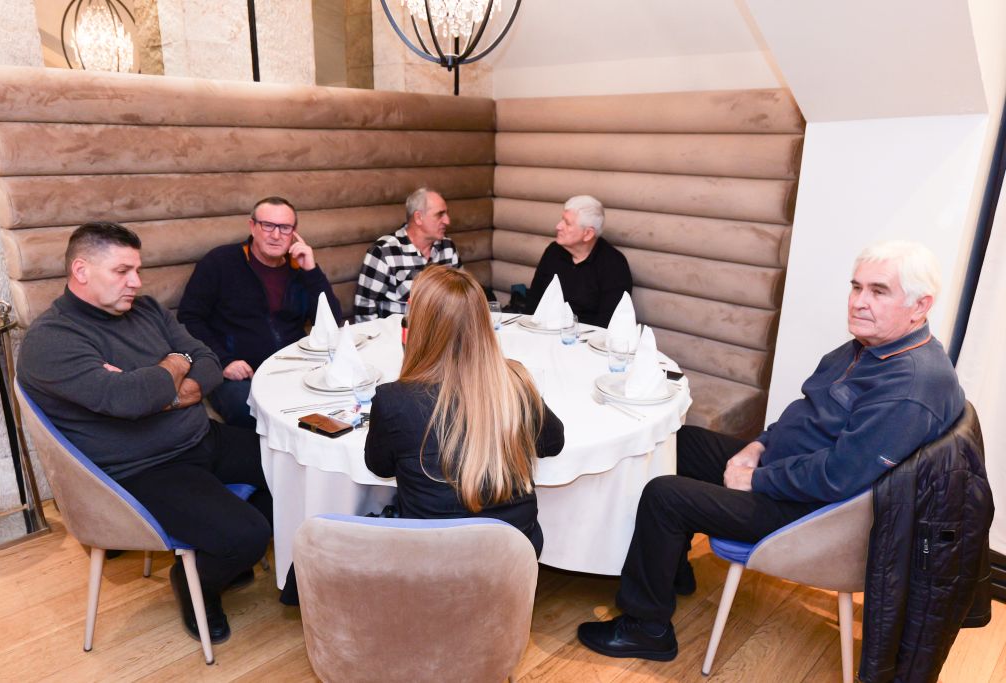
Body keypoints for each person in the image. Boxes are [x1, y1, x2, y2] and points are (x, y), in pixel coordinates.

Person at [576, 240, 965, 662]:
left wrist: (757, 478)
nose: (858, 302)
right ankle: (668, 569)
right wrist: (758, 445)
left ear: (920, 306)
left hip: (814, 513)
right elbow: (806, 411)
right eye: (856, 287)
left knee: (664, 496)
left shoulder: (911, 385)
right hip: (791, 472)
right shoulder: (868, 346)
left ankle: (646, 627)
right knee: (680, 442)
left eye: (878, 291)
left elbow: (837, 478)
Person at [18, 222, 272, 645]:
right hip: (145, 467)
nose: (135, 282)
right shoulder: (51, 341)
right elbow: (129, 399)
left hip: (201, 437)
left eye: (137, 269)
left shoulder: (148, 309)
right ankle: (195, 584)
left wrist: (159, 388)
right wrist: (175, 362)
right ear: (81, 271)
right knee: (247, 535)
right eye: (122, 271)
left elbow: (207, 360)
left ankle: (220, 557)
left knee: (293, 465)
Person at [364, 266, 565, 554]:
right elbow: (553, 443)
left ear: (419, 326)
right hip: (512, 556)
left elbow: (379, 466)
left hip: (429, 559)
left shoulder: (393, 400)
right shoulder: (514, 382)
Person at [178, 196, 341, 428]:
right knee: (250, 409)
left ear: (294, 233)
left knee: (337, 400)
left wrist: (311, 271)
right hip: (239, 373)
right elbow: (189, 318)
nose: (276, 235)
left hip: (294, 367)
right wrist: (224, 360)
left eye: (284, 228)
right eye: (267, 225)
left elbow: (331, 323)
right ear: (252, 227)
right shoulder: (220, 262)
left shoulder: (300, 268)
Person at [353, 187, 460, 322]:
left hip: (441, 331)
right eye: (440, 214)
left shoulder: (448, 247)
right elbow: (364, 310)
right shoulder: (384, 252)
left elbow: (461, 294)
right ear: (418, 218)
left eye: (446, 214)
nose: (447, 221)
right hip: (398, 333)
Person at [525, 195, 632, 328]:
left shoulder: (613, 265)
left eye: (567, 223)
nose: (558, 226)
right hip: (544, 331)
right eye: (561, 219)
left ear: (588, 234)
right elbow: (534, 301)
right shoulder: (553, 251)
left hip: (587, 337)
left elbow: (608, 322)